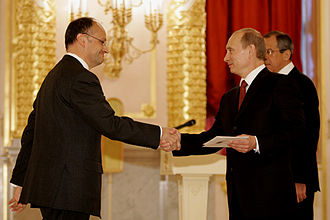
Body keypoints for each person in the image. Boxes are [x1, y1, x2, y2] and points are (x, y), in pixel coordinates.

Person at [8, 17, 180, 219]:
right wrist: (158, 134)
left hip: (51, 191)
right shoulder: (80, 77)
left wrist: (21, 182)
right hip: (69, 190)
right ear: (82, 39)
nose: (106, 49)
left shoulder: (52, 77)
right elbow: (110, 124)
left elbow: (31, 133)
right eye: (102, 41)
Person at [171, 28, 305, 220]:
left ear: (250, 50)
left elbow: (296, 133)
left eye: (230, 50)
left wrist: (256, 142)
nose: (225, 58)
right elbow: (213, 138)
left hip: (272, 200)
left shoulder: (281, 85)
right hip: (238, 200)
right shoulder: (230, 97)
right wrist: (176, 141)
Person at [264, 30, 320, 220]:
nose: (265, 57)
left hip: (295, 180)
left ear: (286, 54)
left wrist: (300, 178)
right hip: (272, 179)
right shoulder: (268, 84)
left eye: (269, 52)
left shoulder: (302, 84)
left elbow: (308, 135)